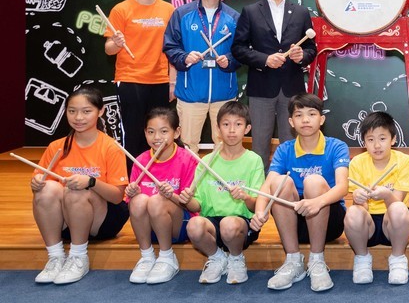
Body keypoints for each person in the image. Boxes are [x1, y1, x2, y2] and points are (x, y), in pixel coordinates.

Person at [250, 93, 349, 292]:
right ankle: (293, 260)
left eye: (312, 114)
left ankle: (317, 260)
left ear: (321, 119)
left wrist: (318, 202)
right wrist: (260, 212)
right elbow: (267, 186)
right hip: (294, 224)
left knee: (313, 181)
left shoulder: (336, 146)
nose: (305, 119)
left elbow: (342, 187)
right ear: (290, 122)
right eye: (299, 115)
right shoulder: (284, 149)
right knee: (281, 181)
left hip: (328, 219)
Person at [30, 86, 129, 285]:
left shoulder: (111, 147)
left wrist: (91, 182)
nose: (78, 117)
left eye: (86, 111)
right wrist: (36, 184)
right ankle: (55, 257)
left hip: (102, 221)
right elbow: (41, 185)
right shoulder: (56, 146)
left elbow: (118, 197)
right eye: (72, 111)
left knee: (76, 190)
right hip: (66, 220)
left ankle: (78, 257)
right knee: (47, 188)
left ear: (100, 111)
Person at [232, 0, 317, 169]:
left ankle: (291, 188)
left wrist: (301, 56)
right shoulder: (250, 11)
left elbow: (312, 50)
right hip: (261, 87)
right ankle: (261, 194)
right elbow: (238, 48)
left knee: (291, 144)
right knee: (259, 144)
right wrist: (265, 60)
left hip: (292, 88)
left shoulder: (301, 12)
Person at [178, 101, 265, 285]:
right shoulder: (206, 161)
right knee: (193, 225)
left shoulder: (254, 160)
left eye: (238, 124)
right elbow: (197, 205)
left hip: (241, 224)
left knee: (229, 224)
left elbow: (257, 204)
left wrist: (245, 197)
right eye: (226, 124)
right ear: (218, 129)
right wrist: (186, 200)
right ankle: (217, 258)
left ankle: (236, 258)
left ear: (247, 128)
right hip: (212, 222)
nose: (232, 130)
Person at [163, 0, 241, 153]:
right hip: (190, 95)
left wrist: (229, 61)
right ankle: (191, 185)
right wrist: (184, 58)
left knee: (225, 147)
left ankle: (222, 185)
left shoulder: (234, 17)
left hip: (224, 95)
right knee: (188, 147)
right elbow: (170, 46)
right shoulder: (181, 14)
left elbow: (242, 51)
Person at [104, 0, 175, 158]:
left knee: (158, 133)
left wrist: (172, 82)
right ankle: (132, 180)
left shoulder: (168, 10)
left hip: (159, 80)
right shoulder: (121, 9)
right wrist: (116, 43)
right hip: (130, 79)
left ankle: (156, 177)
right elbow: (108, 49)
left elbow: (172, 49)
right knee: (133, 132)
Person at [125, 107, 199, 284]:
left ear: (176, 132)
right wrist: (132, 193)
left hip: (178, 226)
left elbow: (193, 205)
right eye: (151, 132)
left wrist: (171, 195)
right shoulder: (140, 160)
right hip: (148, 228)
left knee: (158, 200)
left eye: (164, 131)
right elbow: (132, 205)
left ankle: (167, 257)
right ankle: (147, 257)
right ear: (145, 133)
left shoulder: (189, 159)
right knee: (138, 200)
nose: (157, 137)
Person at [343, 111, 409, 285]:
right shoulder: (357, 163)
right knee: (353, 211)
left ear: (393, 139)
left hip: (392, 226)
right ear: (363, 142)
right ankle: (362, 259)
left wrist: (386, 195)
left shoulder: (405, 161)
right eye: (370, 139)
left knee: (399, 208)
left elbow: (397, 201)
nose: (377, 145)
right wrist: (358, 198)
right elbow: (361, 209)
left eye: (382, 138)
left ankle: (398, 259)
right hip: (368, 225)